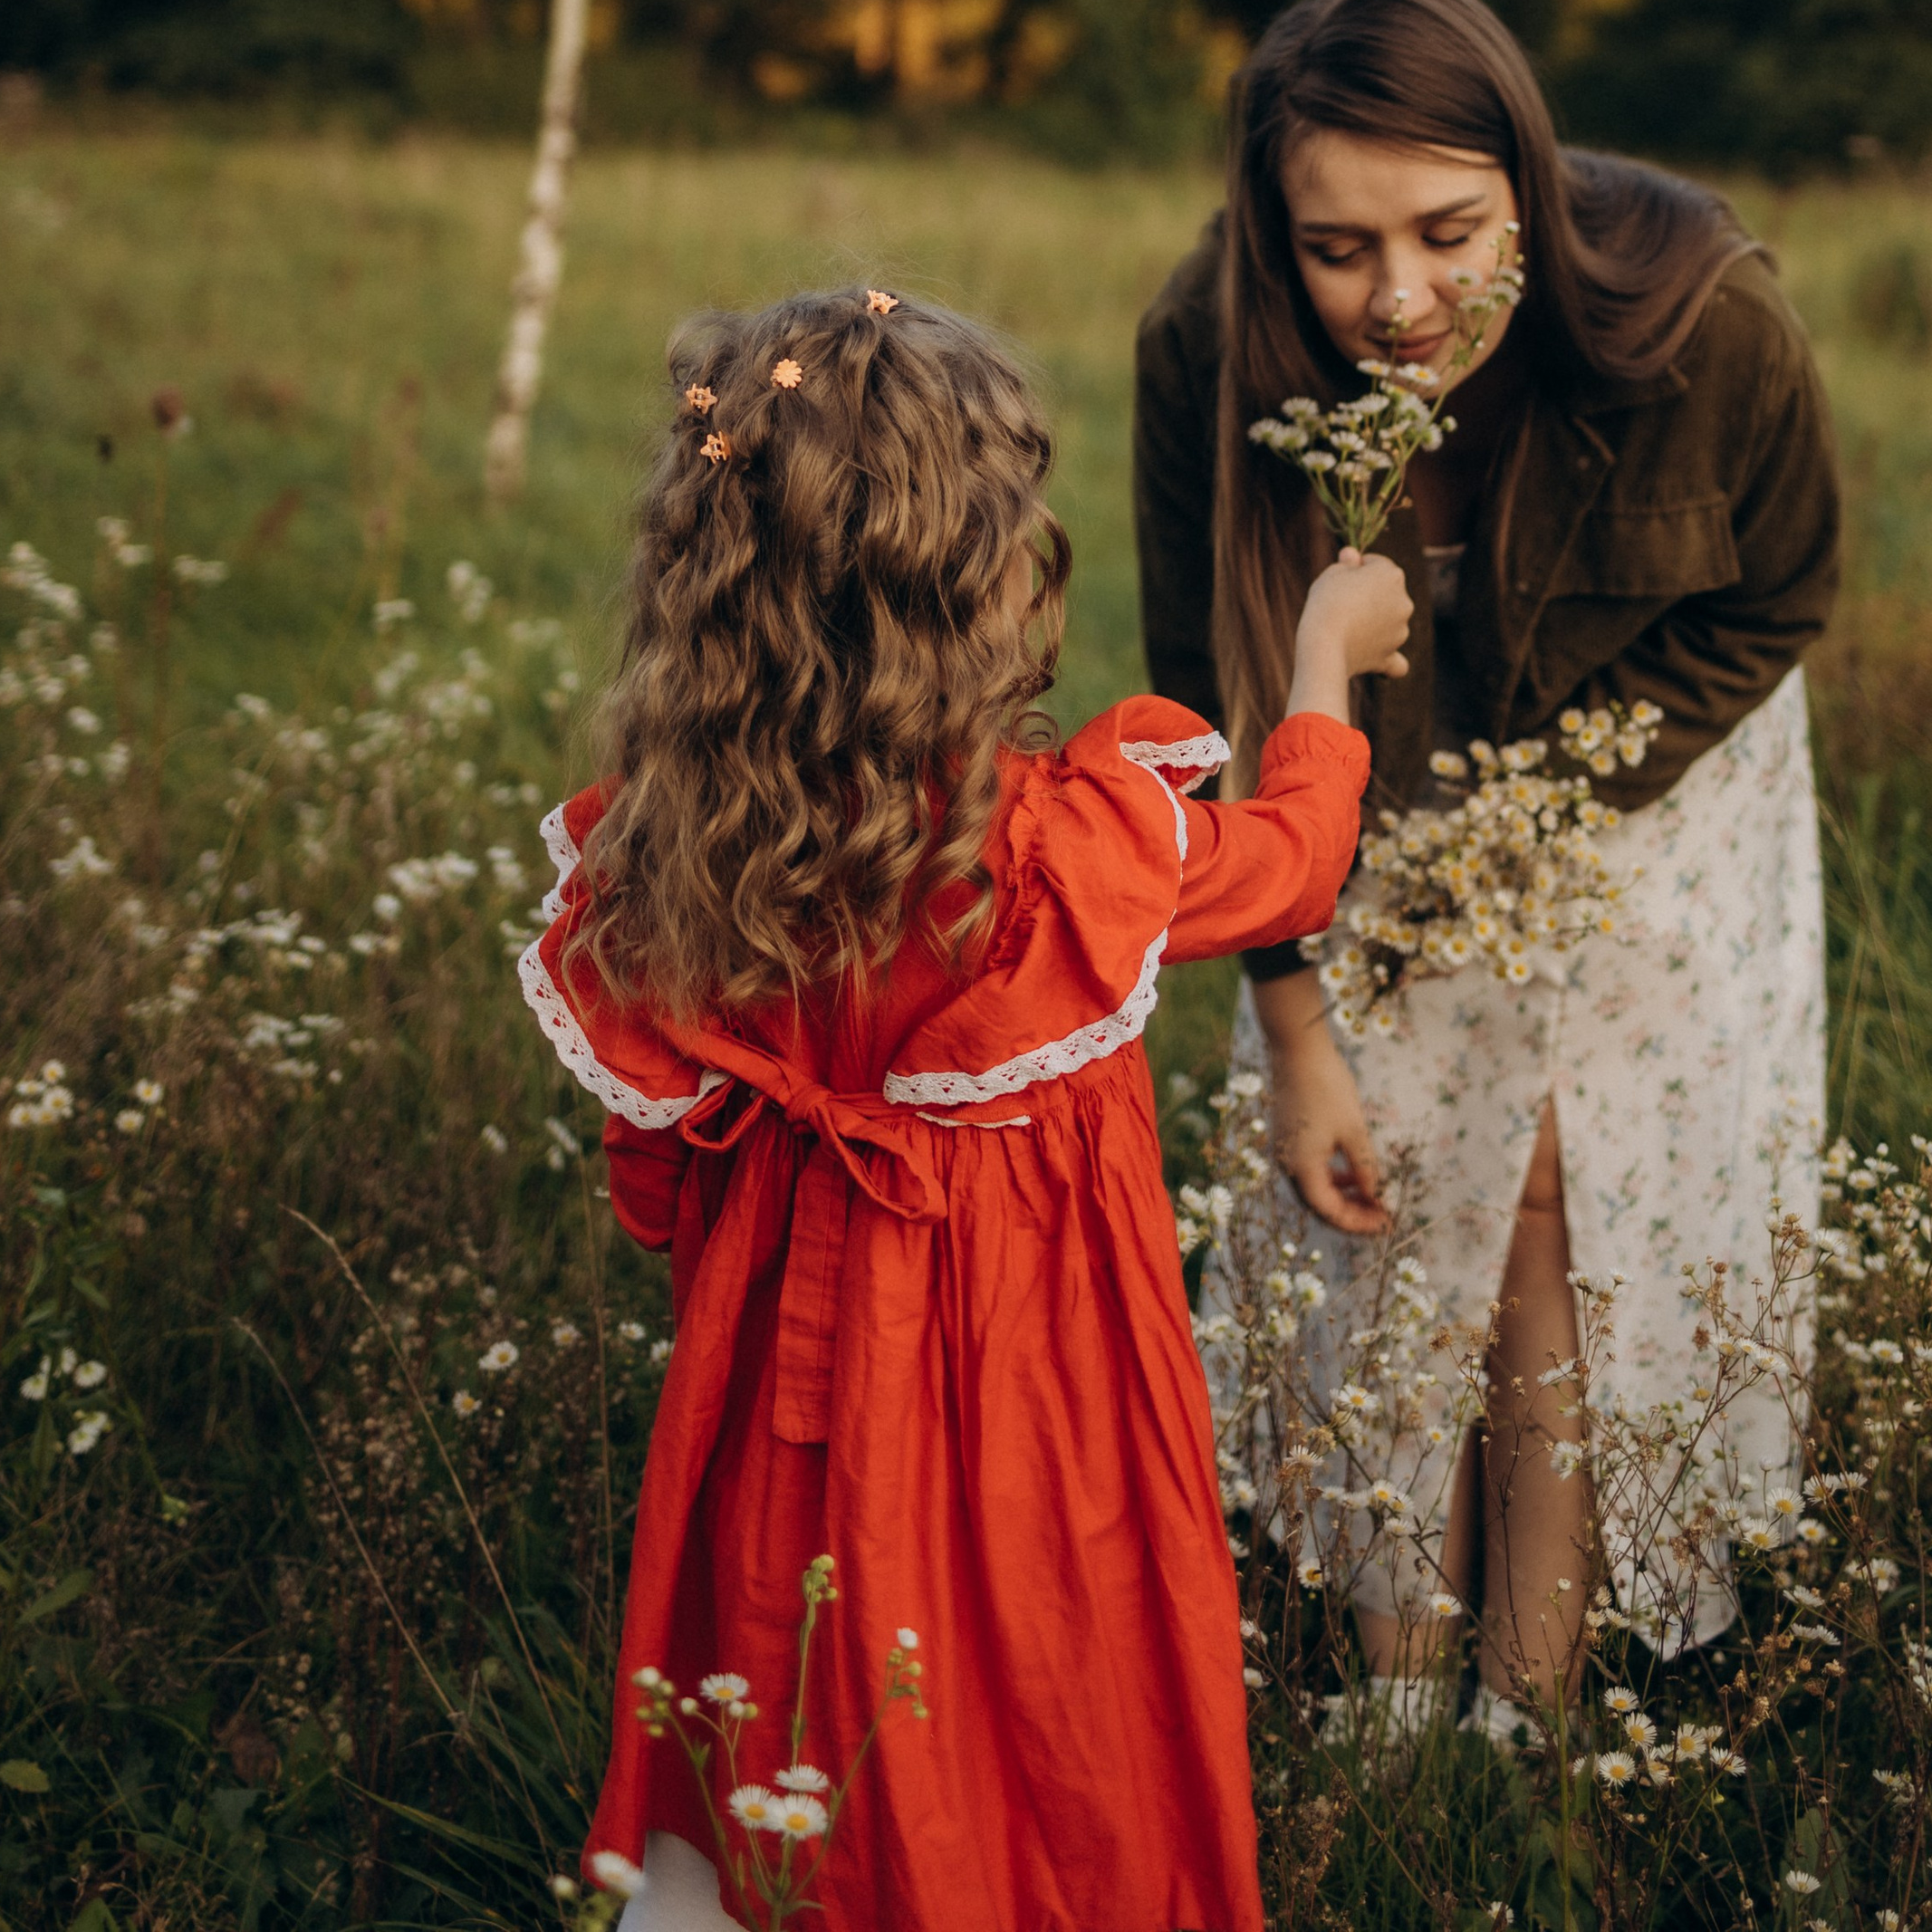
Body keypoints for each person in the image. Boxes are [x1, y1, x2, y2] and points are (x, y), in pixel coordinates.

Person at [520, 285, 1412, 1932]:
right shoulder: (1060, 854)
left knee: (788, 1673)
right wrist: (1321, 666)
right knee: (1039, 1663)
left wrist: (729, 1259)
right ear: (986, 579)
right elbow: (1294, 856)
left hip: (775, 1389)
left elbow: (648, 1168)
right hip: (1036, 1387)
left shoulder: (673, 855)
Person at [1133, 0, 1840, 1730]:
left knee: (1550, 1191)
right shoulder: (1204, 352)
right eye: (1334, 247)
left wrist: (1544, 811)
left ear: (1525, 179)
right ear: (1265, 228)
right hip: (1337, 799)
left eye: (1449, 233)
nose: (1397, 298)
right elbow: (1200, 711)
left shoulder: (1709, 320)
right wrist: (1292, 1036)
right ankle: (1393, 1692)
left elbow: (1780, 594)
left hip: (1649, 784)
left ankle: (1521, 1703)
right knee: (1384, 1187)